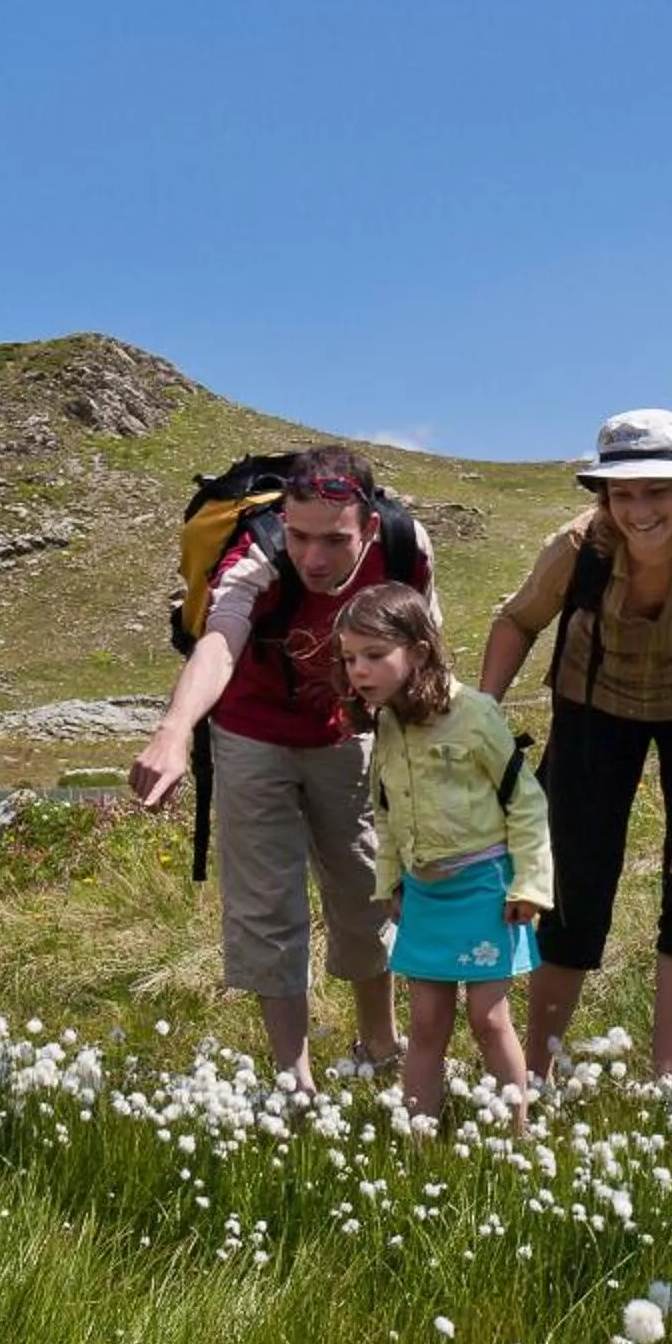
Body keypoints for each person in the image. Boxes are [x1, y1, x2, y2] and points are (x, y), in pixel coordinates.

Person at [478, 408, 672, 1079]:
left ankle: (666, 1082)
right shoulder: (579, 544)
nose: (637, 509)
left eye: (656, 491)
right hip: (593, 705)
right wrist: (480, 713)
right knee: (575, 886)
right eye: (621, 492)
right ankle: (539, 1074)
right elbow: (517, 619)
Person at [129, 446, 419, 1089]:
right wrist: (173, 733)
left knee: (368, 888)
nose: (313, 558)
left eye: (334, 541)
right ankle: (297, 1083)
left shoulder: (404, 547)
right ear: (283, 520)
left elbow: (421, 654)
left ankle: (380, 1043)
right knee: (267, 906)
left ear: (367, 527)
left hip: (349, 734)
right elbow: (220, 641)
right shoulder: (255, 556)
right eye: (300, 535)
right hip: (251, 733)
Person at [335, 582, 554, 1135]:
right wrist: (390, 882)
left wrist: (529, 884)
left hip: (485, 890)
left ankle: (517, 1136)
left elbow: (524, 801)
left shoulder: (475, 714)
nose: (359, 670)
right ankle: (420, 1141)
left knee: (488, 1018)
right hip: (424, 894)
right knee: (427, 1024)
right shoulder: (385, 724)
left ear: (420, 652)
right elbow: (385, 811)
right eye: (350, 658)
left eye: (375, 656)